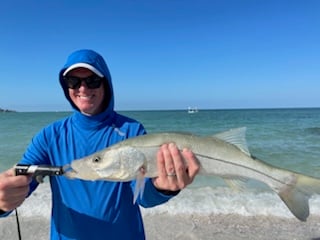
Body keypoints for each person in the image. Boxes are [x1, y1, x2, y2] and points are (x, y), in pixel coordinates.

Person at [0, 49, 200, 239]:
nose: (83, 88)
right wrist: (3, 200)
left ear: (106, 84)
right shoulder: (50, 136)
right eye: (73, 81)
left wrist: (163, 188)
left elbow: (143, 197)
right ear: (65, 86)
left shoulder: (131, 130)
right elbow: (21, 182)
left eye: (92, 80)